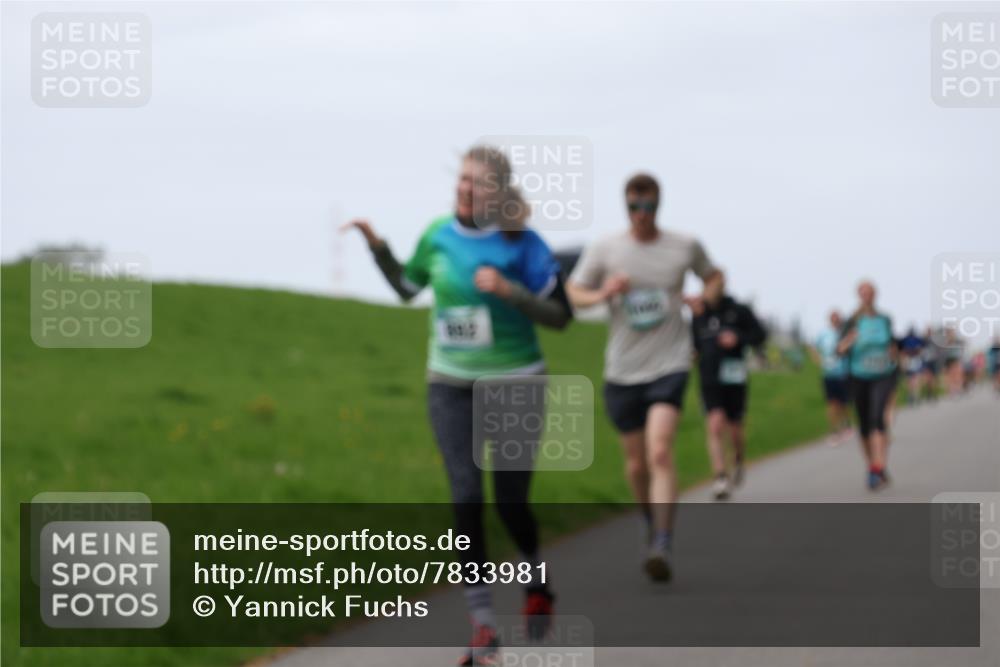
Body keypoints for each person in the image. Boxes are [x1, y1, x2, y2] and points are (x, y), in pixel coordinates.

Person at [343, 145, 570, 666]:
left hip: (517, 381)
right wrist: (379, 248)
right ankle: (484, 628)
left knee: (511, 502)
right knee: (466, 495)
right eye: (462, 180)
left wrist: (513, 291)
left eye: (478, 183)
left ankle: (537, 581)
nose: (466, 189)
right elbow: (407, 287)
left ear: (499, 192)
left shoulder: (523, 243)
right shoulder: (438, 235)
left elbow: (560, 317)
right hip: (449, 382)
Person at [566, 172, 720, 581]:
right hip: (622, 370)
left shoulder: (683, 246)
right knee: (636, 465)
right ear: (625, 206)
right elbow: (573, 292)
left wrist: (705, 298)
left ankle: (663, 543)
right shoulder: (606, 248)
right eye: (634, 207)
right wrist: (602, 294)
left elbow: (714, 276)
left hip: (669, 363)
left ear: (659, 205)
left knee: (660, 451)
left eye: (648, 206)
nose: (641, 215)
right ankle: (649, 520)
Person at [690, 272, 767, 500]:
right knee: (714, 424)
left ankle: (739, 459)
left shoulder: (739, 310)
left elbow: (759, 335)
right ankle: (720, 476)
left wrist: (738, 338)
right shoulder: (698, 312)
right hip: (709, 376)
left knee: (734, 428)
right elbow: (694, 342)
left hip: (734, 375)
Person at [837, 281, 898, 491]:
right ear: (858, 295)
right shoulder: (852, 321)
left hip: (883, 375)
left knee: (878, 418)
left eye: (870, 292)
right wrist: (849, 341)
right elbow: (839, 350)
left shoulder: (885, 320)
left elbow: (892, 345)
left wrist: (895, 359)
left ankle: (879, 466)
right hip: (859, 376)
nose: (867, 296)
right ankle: (872, 465)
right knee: (864, 425)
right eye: (863, 293)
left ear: (875, 295)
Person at [812, 310, 852, 445]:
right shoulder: (824, 333)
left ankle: (846, 424)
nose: (835, 320)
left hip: (844, 372)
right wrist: (818, 360)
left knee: (843, 403)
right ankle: (834, 431)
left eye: (837, 318)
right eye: (833, 318)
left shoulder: (844, 333)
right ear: (829, 320)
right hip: (829, 373)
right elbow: (812, 346)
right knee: (832, 403)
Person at [898, 326, 927, 404]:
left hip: (909, 359)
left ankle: (912, 395)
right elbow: (922, 348)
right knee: (915, 378)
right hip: (914, 359)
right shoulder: (917, 339)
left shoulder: (905, 339)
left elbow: (901, 350)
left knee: (911, 379)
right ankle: (915, 395)